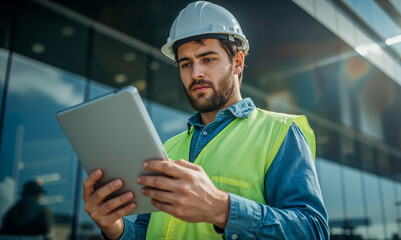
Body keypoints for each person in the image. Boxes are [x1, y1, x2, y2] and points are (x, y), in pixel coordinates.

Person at [82, 1, 329, 239]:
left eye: (208, 59)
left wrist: (222, 208)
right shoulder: (167, 150)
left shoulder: (280, 132)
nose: (196, 73)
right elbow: (148, 233)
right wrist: (116, 229)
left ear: (238, 62)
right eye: (186, 63)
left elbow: (314, 231)